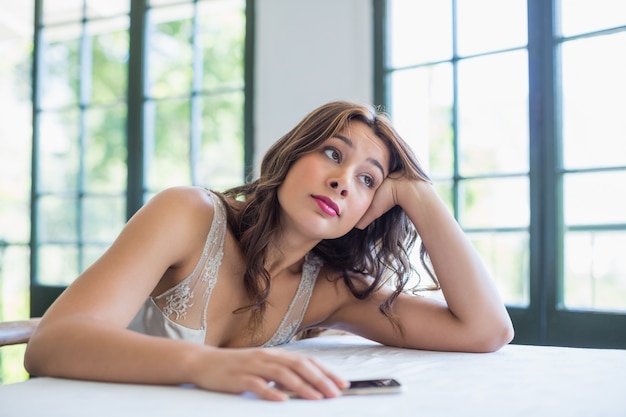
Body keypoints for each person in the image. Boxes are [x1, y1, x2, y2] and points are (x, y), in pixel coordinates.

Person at [24, 101, 514, 401]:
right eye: (332, 153)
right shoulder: (187, 214)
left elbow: (487, 330)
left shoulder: (330, 290)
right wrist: (209, 367)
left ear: (368, 208)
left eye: (368, 180)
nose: (343, 180)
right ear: (291, 154)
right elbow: (51, 344)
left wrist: (420, 196)